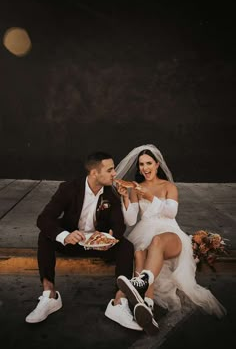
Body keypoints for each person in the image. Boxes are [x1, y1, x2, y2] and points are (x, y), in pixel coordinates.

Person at [114, 144, 226, 335]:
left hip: (170, 234)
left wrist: (150, 197)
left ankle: (140, 283)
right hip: (144, 230)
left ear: (157, 164)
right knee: (140, 252)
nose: (144, 168)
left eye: (148, 163)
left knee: (156, 241)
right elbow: (131, 220)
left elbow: (171, 212)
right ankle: (147, 305)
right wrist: (125, 198)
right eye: (141, 164)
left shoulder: (169, 187)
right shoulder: (135, 188)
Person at [25, 151, 142, 331]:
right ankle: (50, 295)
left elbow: (119, 226)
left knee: (126, 246)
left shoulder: (111, 194)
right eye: (110, 170)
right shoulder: (69, 188)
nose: (114, 173)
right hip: (71, 242)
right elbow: (44, 219)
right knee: (45, 236)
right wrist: (65, 235)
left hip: (98, 245)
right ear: (94, 173)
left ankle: (119, 302)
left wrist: (109, 238)